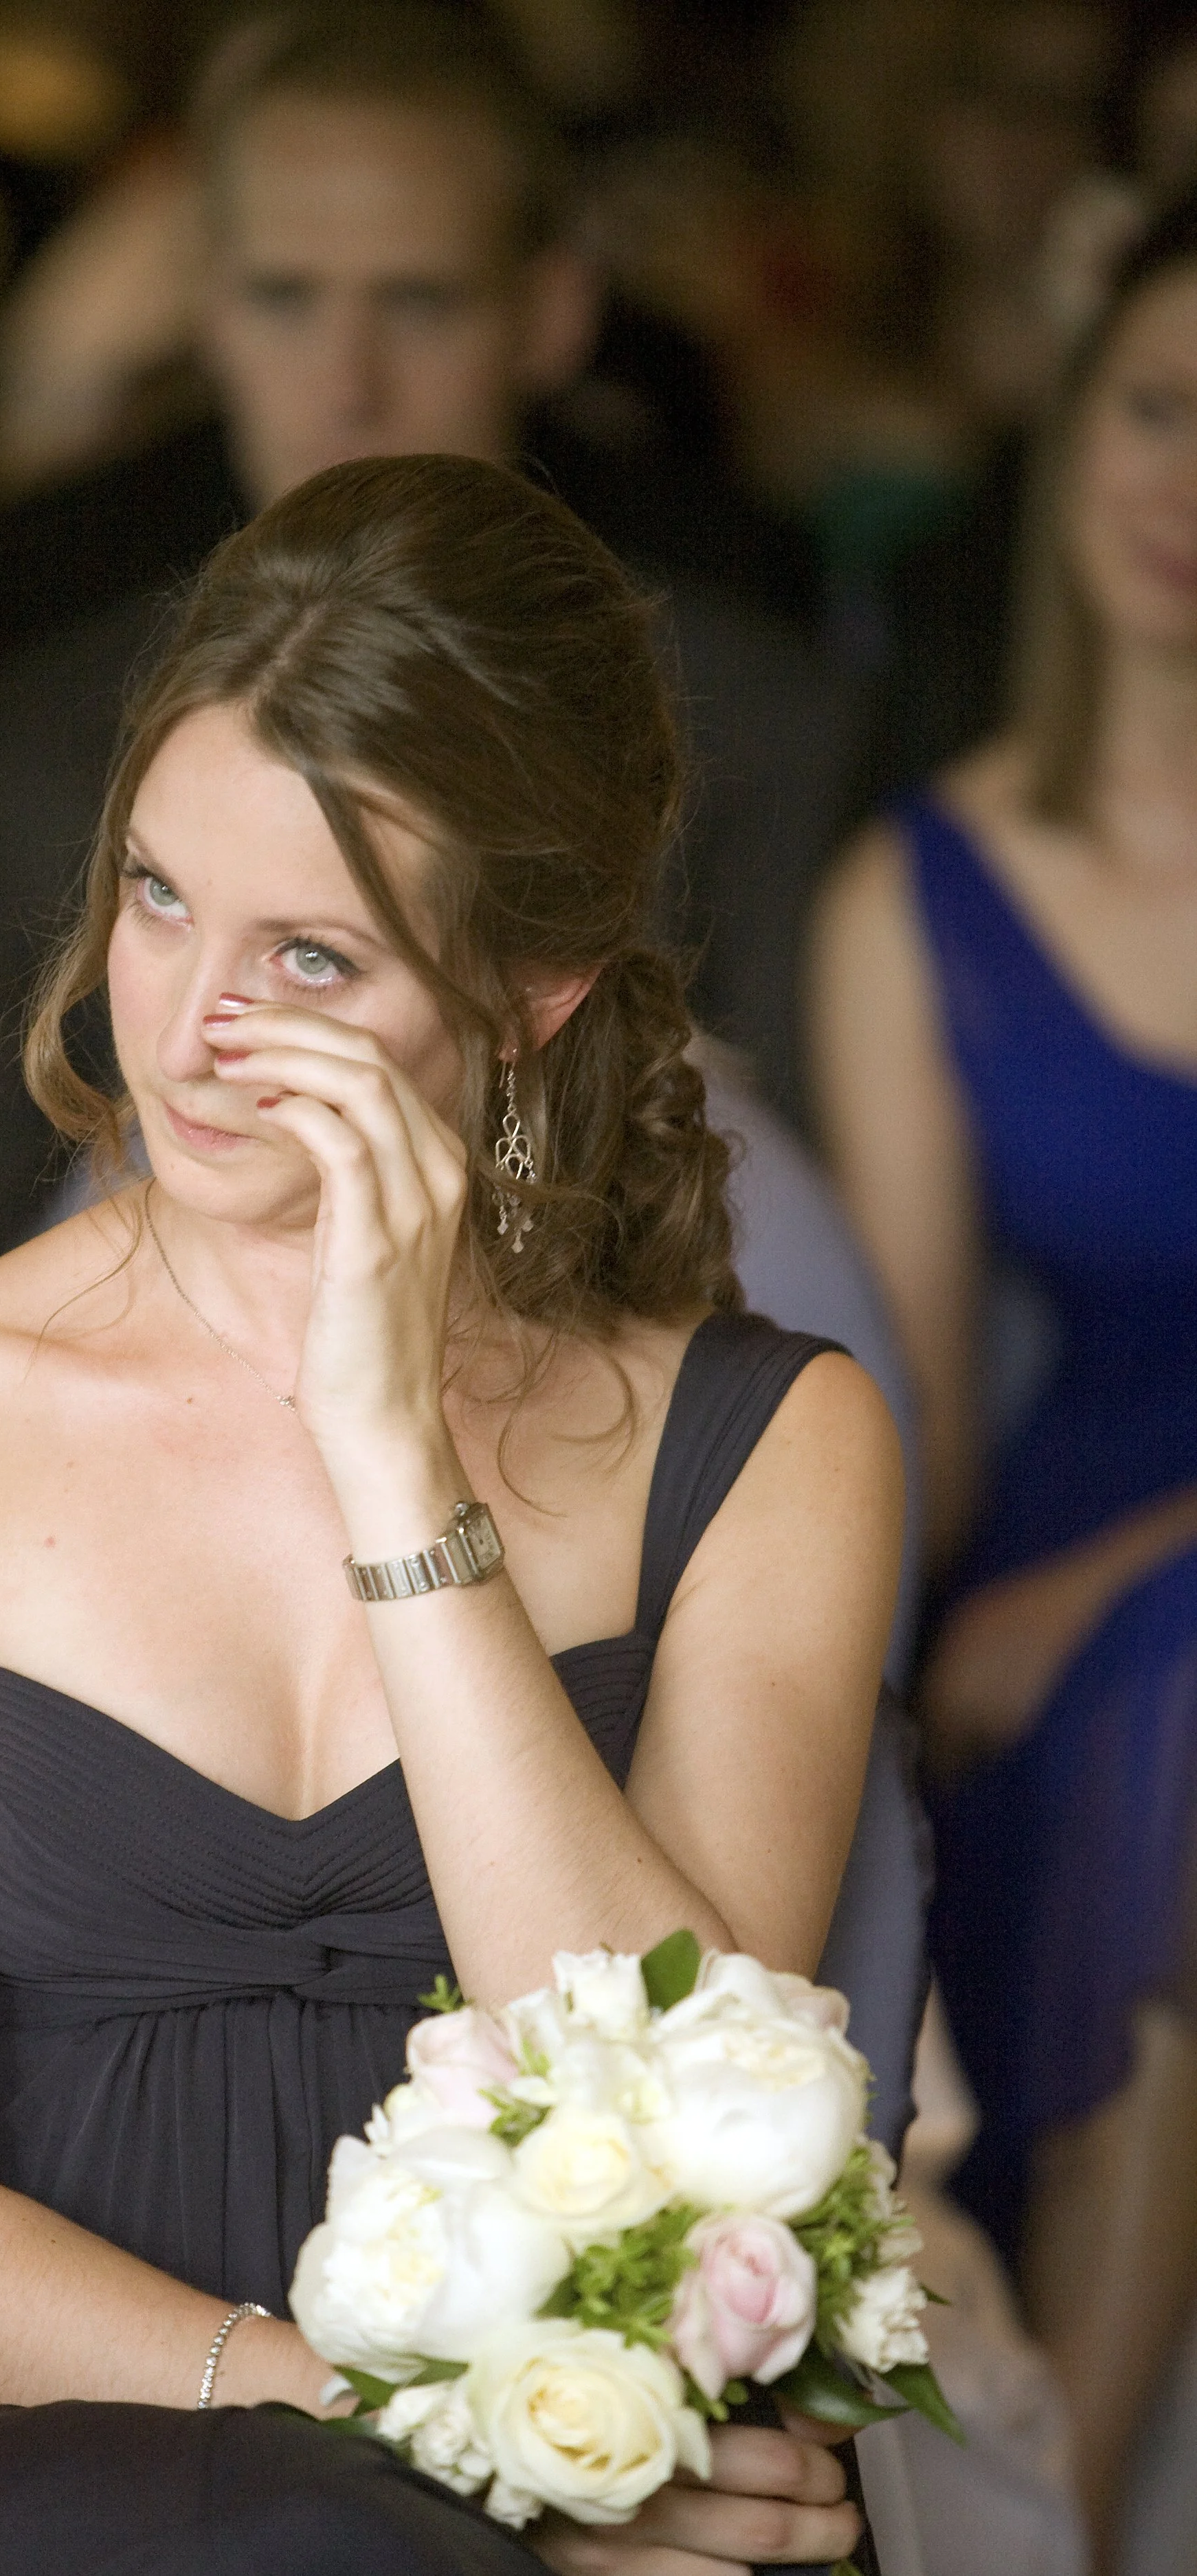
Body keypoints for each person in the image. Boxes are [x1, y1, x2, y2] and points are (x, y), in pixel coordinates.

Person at [0, 454, 902, 2576]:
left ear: (528, 991)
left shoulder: (770, 1442)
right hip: (61, 2466)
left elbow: (672, 2155)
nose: (186, 1025)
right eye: (158, 895)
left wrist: (394, 1470)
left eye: (314, 957)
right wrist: (433, 2432)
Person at [0, 3, 859, 1301]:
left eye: (420, 302)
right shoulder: (15, 741)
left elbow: (780, 1237)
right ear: (209, 307)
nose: (346, 380)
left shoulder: (754, 714)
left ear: (552, 311)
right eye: (285, 296)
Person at [809, 188, 1197, 2564]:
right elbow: (922, 1407)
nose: (1191, 481)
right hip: (1063, 1563)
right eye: (1159, 409)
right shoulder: (917, 888)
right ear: (1069, 440)